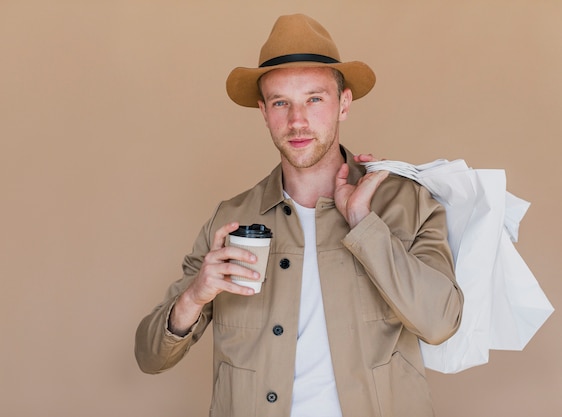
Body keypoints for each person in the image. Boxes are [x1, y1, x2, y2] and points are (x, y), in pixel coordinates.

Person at [135, 13, 463, 417]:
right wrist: (196, 295)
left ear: (343, 104)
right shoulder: (231, 217)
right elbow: (150, 356)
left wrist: (365, 224)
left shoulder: (406, 202)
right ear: (263, 111)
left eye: (314, 99)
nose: (297, 121)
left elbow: (440, 323)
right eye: (281, 103)